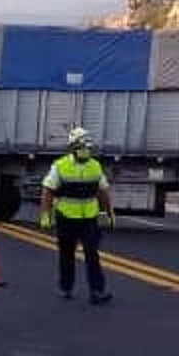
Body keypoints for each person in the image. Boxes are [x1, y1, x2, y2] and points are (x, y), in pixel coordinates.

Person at [38, 126, 114, 304]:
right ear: (72, 148)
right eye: (81, 147)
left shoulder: (95, 166)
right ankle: (66, 287)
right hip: (66, 218)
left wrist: (108, 213)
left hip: (88, 219)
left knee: (92, 252)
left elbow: (103, 192)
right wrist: (45, 215)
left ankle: (97, 291)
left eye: (87, 146)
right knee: (66, 253)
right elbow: (48, 191)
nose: (85, 150)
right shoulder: (60, 166)